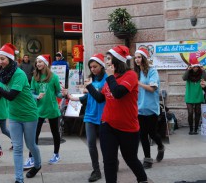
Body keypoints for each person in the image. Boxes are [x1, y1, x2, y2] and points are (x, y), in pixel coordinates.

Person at [85, 46, 147, 183]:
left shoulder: (130, 75)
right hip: (107, 125)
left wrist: (111, 76)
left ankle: (142, 180)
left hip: (128, 127)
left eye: (108, 59)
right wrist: (89, 86)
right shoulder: (110, 78)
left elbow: (118, 93)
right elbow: (101, 98)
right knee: (109, 161)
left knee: (130, 159)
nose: (106, 62)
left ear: (117, 61)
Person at [0, 43, 41, 183]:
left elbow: (10, 95)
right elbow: (0, 93)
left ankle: (38, 165)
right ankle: (19, 179)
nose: (0, 62)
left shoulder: (19, 74)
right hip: (14, 115)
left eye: (3, 58)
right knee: (17, 148)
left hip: (29, 114)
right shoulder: (4, 74)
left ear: (10, 58)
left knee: (30, 145)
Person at [64, 53, 107, 182]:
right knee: (91, 144)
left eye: (95, 66)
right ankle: (96, 170)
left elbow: (100, 97)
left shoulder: (107, 79)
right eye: (91, 67)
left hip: (104, 116)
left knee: (106, 145)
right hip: (89, 115)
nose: (93, 69)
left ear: (102, 66)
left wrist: (89, 89)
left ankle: (111, 162)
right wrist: (70, 97)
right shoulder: (90, 79)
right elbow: (87, 97)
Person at [24, 54, 63, 169]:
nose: (38, 64)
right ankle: (31, 157)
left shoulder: (54, 77)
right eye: (37, 62)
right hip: (38, 110)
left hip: (52, 109)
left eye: (40, 62)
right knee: (34, 134)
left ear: (46, 63)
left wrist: (64, 93)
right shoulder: (35, 77)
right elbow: (30, 93)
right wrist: (36, 96)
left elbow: (58, 93)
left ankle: (56, 154)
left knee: (55, 133)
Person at [134, 48, 165, 169]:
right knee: (142, 135)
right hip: (139, 109)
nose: (137, 59)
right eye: (136, 57)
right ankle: (147, 159)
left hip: (151, 108)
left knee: (152, 134)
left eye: (139, 57)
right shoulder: (136, 73)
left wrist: (138, 83)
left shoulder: (152, 71)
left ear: (144, 58)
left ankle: (161, 146)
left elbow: (152, 88)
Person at [183, 61, 206, 134]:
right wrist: (188, 70)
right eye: (194, 67)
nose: (195, 68)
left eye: (197, 67)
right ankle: (190, 129)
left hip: (198, 95)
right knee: (190, 112)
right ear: (192, 67)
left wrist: (203, 70)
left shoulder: (201, 73)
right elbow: (184, 78)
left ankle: (196, 129)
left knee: (198, 112)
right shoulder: (188, 73)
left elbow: (204, 78)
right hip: (189, 95)